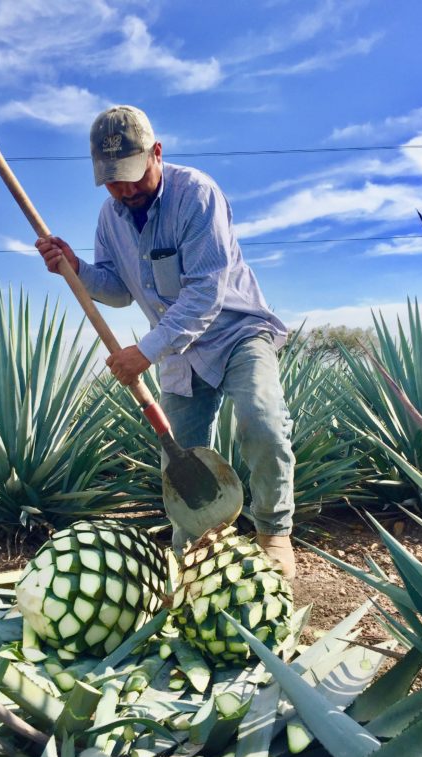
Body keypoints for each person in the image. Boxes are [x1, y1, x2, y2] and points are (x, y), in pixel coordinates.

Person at [36, 105, 296, 579]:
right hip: (178, 352)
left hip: (236, 332)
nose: (126, 189)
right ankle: (197, 557)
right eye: (113, 180)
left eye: (134, 175)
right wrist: (76, 269)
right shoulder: (109, 218)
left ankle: (274, 533)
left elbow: (203, 295)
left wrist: (143, 352)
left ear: (157, 153)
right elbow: (116, 289)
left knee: (261, 418)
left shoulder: (197, 195)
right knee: (181, 463)